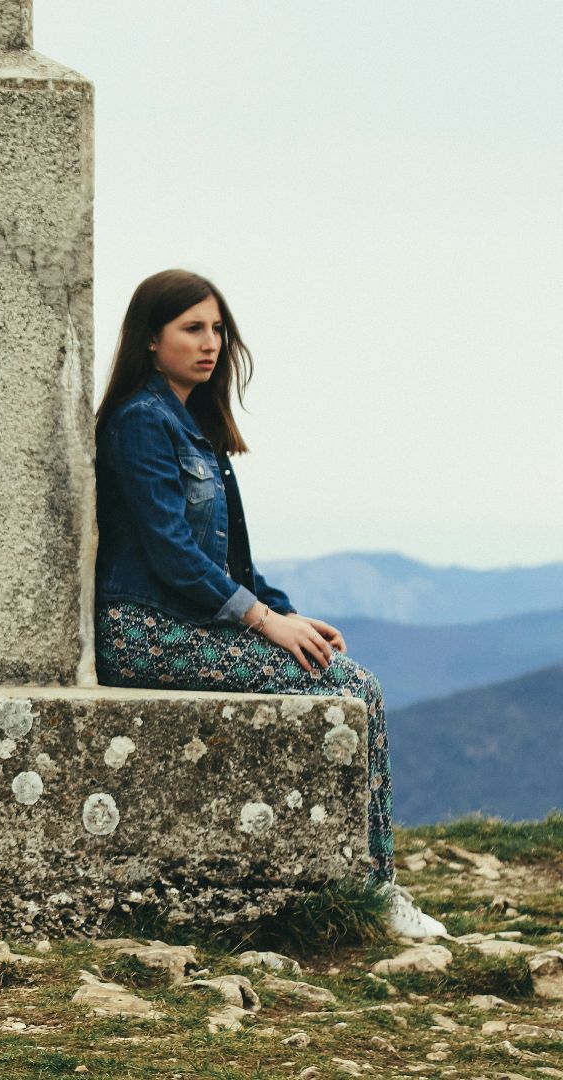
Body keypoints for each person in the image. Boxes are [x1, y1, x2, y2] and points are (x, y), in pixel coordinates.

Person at [93, 268, 445, 940]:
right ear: (149, 338)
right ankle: (375, 892)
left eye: (218, 329)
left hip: (185, 622)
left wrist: (287, 611)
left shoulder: (192, 423)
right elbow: (171, 552)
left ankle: (378, 886)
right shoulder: (142, 422)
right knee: (351, 685)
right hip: (142, 630)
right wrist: (264, 622)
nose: (211, 343)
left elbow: (233, 563)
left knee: (358, 685)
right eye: (192, 328)